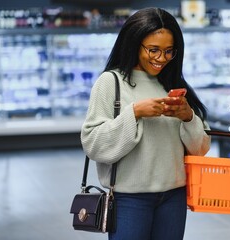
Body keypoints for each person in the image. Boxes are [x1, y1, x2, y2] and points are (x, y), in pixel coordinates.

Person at [80, 7, 211, 240]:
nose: (161, 59)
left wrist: (188, 117)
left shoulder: (173, 83)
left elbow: (201, 149)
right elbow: (93, 144)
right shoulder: (111, 82)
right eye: (153, 50)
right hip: (129, 199)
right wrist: (135, 113)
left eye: (169, 51)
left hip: (174, 197)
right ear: (133, 43)